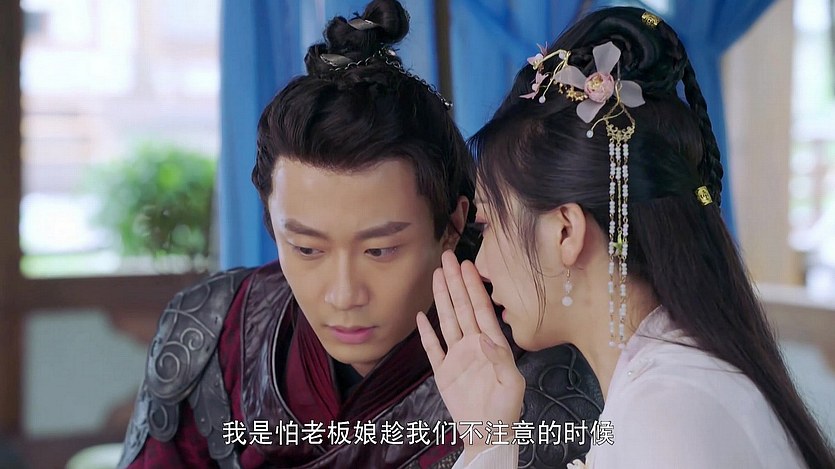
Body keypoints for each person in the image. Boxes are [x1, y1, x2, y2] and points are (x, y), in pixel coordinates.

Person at [116, 1, 602, 468]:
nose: (344, 294)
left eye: (380, 250)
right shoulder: (211, 329)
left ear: (453, 225)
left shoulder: (536, 373)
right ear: (271, 224)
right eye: (306, 248)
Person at [417, 6, 835, 469]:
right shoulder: (665, 390)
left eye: (489, 225)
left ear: (566, 232)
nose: (481, 265)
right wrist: (487, 437)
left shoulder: (667, 416)